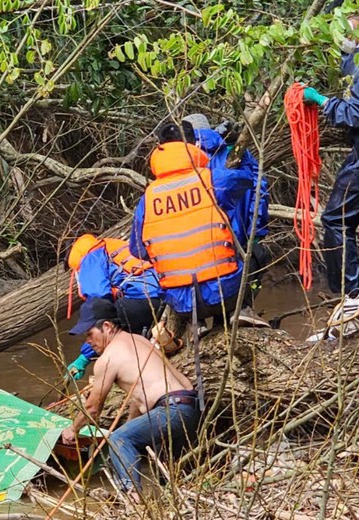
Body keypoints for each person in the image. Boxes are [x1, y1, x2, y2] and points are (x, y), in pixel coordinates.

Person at [60, 297, 200, 499]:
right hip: (189, 406)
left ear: (107, 326)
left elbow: (92, 409)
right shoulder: (139, 340)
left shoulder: (107, 359)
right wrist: (130, 425)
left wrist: (72, 429)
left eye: (89, 334)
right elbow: (141, 396)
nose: (87, 341)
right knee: (166, 475)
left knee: (118, 439)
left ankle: (133, 499)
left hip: (170, 410)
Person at [129, 122, 254, 335]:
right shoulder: (212, 179)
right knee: (253, 250)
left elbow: (137, 250)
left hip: (182, 303)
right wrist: (232, 149)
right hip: (225, 293)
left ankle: (196, 324)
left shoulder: (148, 199)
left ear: (160, 148)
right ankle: (241, 310)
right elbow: (248, 180)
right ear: (195, 143)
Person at [302, 14, 359, 340]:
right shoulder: (356, 55)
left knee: (336, 219)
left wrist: (320, 101)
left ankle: (353, 298)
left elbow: (358, 113)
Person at [183, 113, 271, 327]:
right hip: (235, 235)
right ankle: (239, 310)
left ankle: (198, 321)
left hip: (198, 247)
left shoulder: (185, 161)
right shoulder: (234, 151)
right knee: (255, 257)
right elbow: (259, 187)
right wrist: (256, 229)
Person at [65, 234, 167, 380]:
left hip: (142, 303)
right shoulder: (113, 246)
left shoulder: (89, 258)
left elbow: (99, 304)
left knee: (106, 319)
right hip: (164, 295)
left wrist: (84, 357)